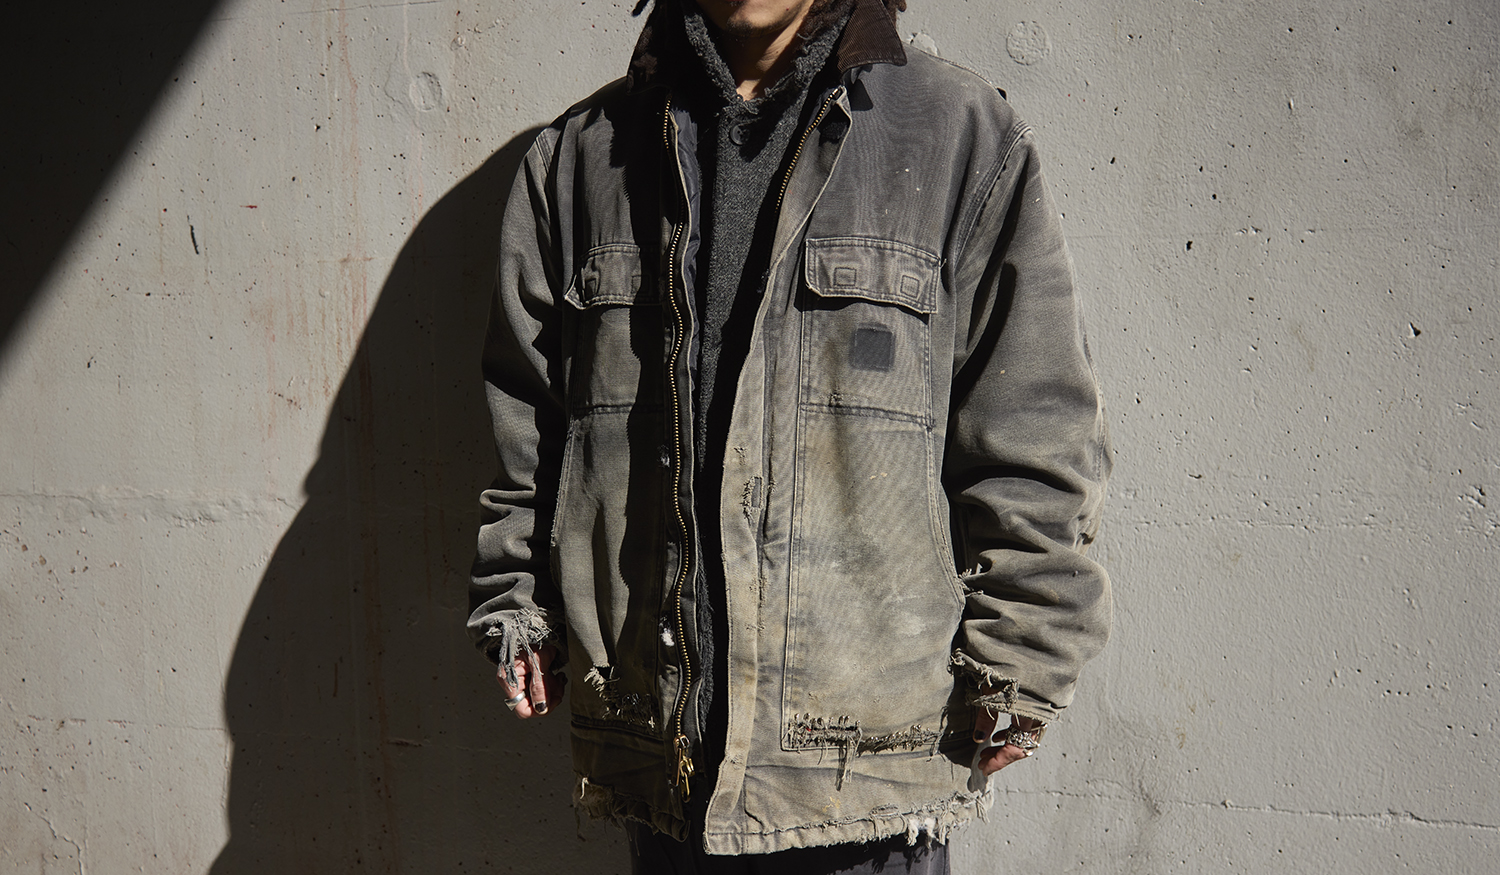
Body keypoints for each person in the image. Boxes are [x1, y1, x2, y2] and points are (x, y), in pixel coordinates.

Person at [467, 0, 1112, 870]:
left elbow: (1034, 422)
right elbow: (532, 418)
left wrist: (1025, 653)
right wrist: (517, 595)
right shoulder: (582, 157)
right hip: (663, 763)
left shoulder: (960, 137)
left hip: (863, 784)